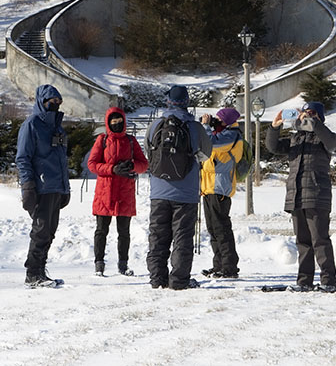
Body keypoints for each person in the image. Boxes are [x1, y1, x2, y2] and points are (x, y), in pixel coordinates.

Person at [265, 101, 336, 292]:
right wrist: (275, 126)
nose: (305, 115)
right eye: (304, 112)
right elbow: (272, 147)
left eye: (311, 113)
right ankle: (304, 281)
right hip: (296, 197)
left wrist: (313, 122)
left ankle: (328, 280)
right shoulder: (295, 139)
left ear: (319, 117)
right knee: (302, 242)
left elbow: (332, 142)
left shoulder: (324, 137)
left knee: (320, 240)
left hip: (317, 195)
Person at [145, 85, 211, 290]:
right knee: (182, 236)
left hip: (159, 190)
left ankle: (157, 278)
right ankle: (179, 280)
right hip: (186, 192)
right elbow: (206, 155)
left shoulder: (156, 124)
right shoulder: (195, 127)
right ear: (187, 102)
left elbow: (149, 151)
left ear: (168, 102)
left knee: (157, 235)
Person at [15, 85, 70, 288]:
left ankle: (41, 269)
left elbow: (62, 159)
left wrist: (66, 188)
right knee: (41, 230)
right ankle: (33, 273)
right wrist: (28, 186)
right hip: (41, 186)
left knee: (50, 231)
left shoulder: (57, 127)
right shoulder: (31, 125)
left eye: (58, 102)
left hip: (56, 187)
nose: (54, 105)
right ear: (42, 102)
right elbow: (23, 157)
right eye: (51, 102)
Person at [87, 106, 148, 277]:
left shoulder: (130, 141)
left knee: (124, 231)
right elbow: (92, 164)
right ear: (108, 123)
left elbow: (144, 164)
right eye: (113, 122)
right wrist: (112, 169)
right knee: (101, 230)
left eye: (119, 121)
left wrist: (132, 166)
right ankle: (99, 264)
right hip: (105, 192)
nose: (117, 125)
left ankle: (123, 264)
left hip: (125, 191)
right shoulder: (102, 140)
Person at [199, 107, 244, 279]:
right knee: (213, 229)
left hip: (220, 188)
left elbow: (210, 143)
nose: (216, 121)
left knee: (222, 228)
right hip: (209, 187)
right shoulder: (221, 133)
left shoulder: (231, 135)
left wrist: (205, 127)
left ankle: (230, 267)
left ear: (227, 121)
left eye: (219, 119)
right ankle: (218, 265)